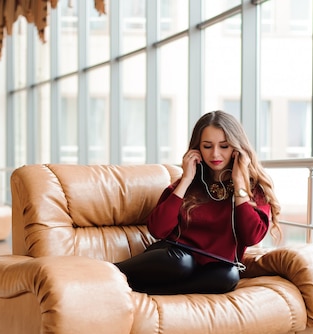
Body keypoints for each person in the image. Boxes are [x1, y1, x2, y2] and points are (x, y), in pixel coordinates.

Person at [115, 110, 281, 295]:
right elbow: (157, 230)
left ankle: (139, 290)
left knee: (228, 276)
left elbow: (252, 237)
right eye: (207, 146)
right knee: (182, 263)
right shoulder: (189, 183)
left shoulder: (253, 189)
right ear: (197, 149)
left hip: (212, 269)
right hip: (173, 259)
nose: (215, 153)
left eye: (224, 146)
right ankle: (110, 271)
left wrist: (239, 184)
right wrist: (186, 179)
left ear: (237, 149)